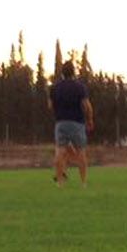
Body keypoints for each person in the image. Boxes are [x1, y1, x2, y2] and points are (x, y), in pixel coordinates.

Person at [50, 57, 93, 185]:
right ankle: (83, 182)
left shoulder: (55, 87)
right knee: (81, 153)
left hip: (61, 122)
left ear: (62, 72)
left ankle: (60, 183)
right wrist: (90, 119)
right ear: (73, 72)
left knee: (59, 151)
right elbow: (87, 105)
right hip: (77, 122)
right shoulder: (80, 87)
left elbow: (50, 105)